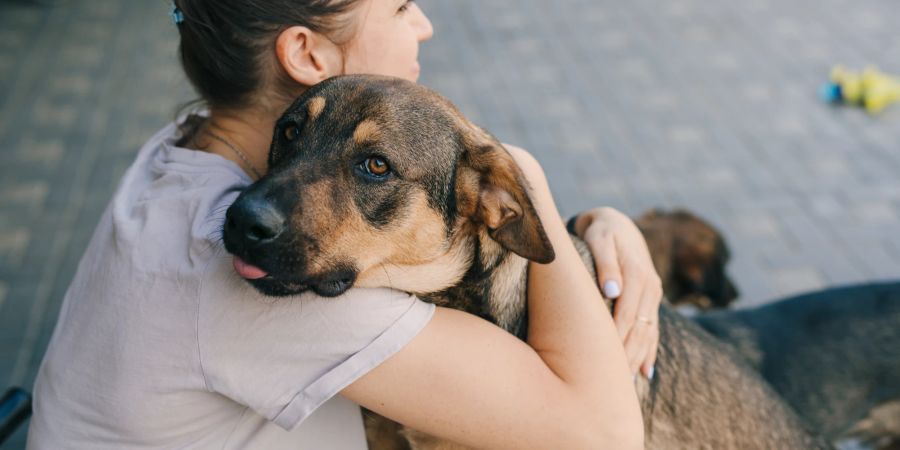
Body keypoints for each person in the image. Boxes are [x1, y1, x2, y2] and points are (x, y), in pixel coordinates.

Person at [28, 1, 663, 448]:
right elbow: (602, 432)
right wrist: (527, 173)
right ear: (306, 52)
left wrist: (599, 225)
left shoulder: (195, 146)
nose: (425, 25)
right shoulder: (264, 288)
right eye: (400, 7)